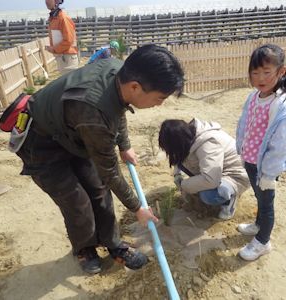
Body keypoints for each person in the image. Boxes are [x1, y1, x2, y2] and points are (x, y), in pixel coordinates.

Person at [12, 45, 184, 274]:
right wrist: (137, 208)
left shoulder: (122, 73)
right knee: (77, 202)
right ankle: (85, 249)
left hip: (72, 132)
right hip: (41, 145)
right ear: (136, 87)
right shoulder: (93, 113)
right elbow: (110, 171)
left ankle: (114, 245)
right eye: (160, 97)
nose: (160, 103)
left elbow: (119, 107)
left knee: (100, 191)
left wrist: (125, 145)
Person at [235, 44, 286, 261]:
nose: (260, 78)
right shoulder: (255, 96)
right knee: (259, 198)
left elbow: (280, 146)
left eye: (266, 72)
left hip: (266, 166)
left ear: (280, 72)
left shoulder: (282, 107)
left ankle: (263, 241)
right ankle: (258, 225)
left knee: (267, 202)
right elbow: (245, 123)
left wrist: (270, 175)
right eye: (255, 73)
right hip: (252, 160)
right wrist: (241, 149)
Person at [159, 118, 249, 220]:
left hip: (236, 174)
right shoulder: (188, 136)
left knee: (208, 195)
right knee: (183, 163)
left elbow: (211, 180)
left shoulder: (208, 144)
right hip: (216, 171)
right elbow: (179, 156)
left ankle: (229, 199)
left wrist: (184, 185)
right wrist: (177, 175)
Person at [45, 0, 79, 74]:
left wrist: (53, 49)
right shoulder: (53, 19)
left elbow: (68, 40)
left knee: (70, 84)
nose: (46, 1)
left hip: (68, 59)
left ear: (56, 1)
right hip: (62, 58)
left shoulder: (63, 18)